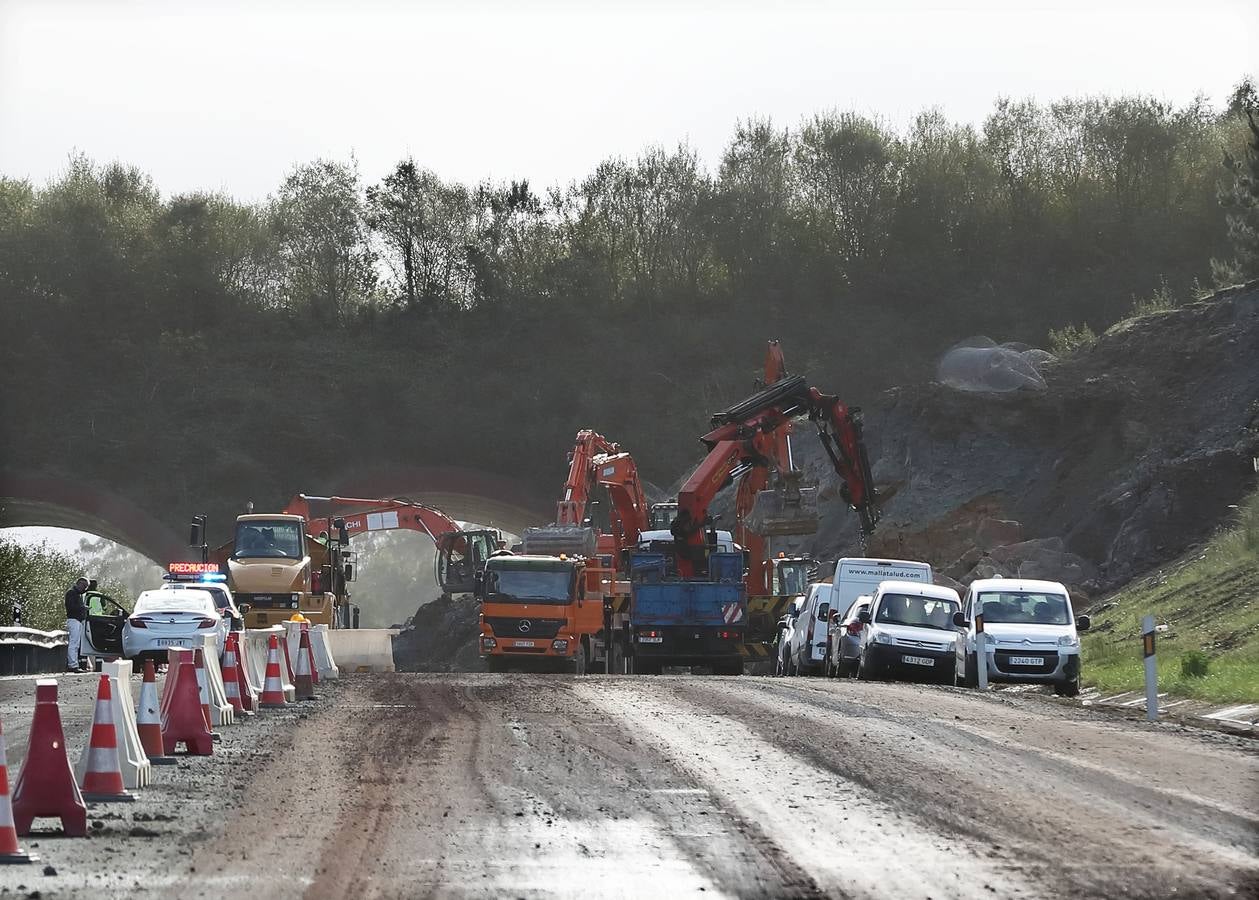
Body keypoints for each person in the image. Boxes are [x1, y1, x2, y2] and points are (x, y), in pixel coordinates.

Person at [64, 576, 89, 672]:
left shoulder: (77, 594)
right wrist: (82, 608)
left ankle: (74, 664)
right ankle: (73, 665)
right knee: (74, 643)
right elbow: (71, 607)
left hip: (77, 621)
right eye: (84, 585)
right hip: (73, 620)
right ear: (79, 583)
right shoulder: (71, 593)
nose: (85, 588)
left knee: (76, 644)